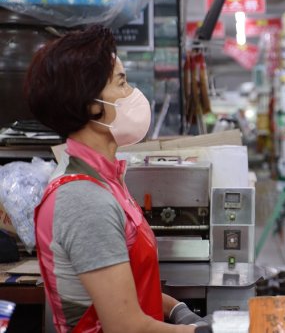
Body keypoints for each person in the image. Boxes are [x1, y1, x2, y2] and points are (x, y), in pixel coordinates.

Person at [26, 25, 209, 332]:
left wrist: (175, 308)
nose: (132, 94)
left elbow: (124, 291)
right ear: (90, 105)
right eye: (121, 83)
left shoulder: (106, 179)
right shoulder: (83, 199)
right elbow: (124, 326)